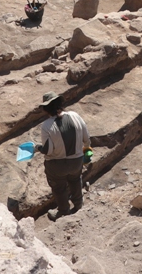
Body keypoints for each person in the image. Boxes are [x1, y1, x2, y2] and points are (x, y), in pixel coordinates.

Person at [36, 92, 91, 221]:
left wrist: (37, 147)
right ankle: (78, 206)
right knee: (76, 180)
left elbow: (48, 151)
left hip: (57, 165)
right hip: (77, 161)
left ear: (45, 109)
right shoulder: (75, 116)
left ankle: (63, 211)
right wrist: (87, 153)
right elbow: (87, 139)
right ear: (61, 104)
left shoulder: (46, 126)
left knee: (59, 188)